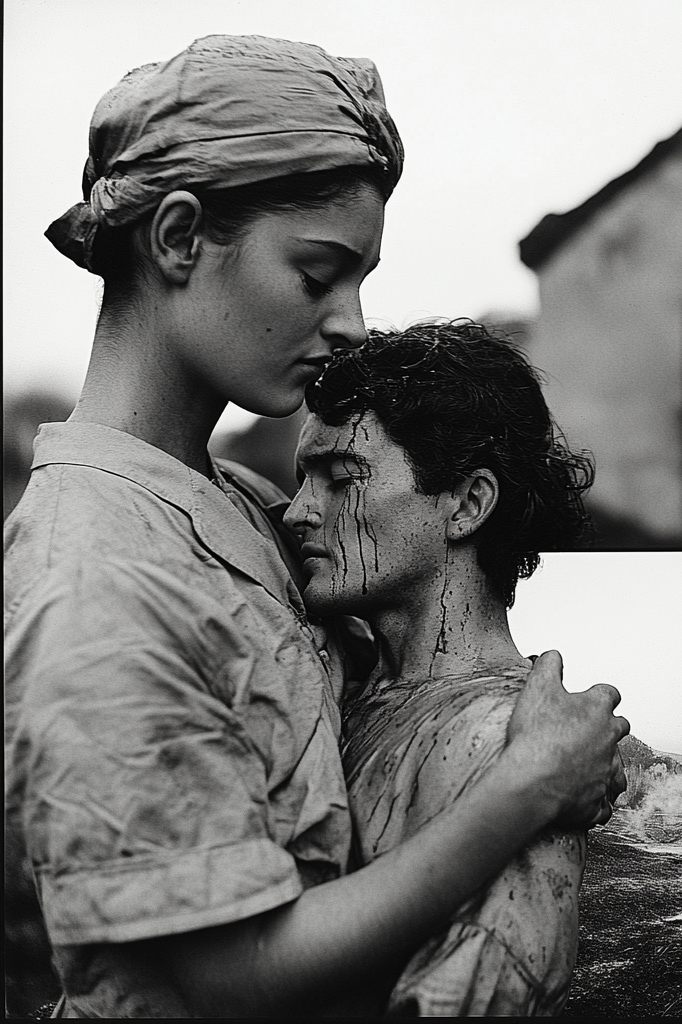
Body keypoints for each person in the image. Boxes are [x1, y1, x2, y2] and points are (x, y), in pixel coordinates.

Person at [3, 36, 628, 1019]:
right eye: (318, 272)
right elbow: (235, 981)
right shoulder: (101, 579)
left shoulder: (231, 503)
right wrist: (527, 788)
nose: (351, 321)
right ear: (176, 239)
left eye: (361, 279)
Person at [285, 321, 597, 1014]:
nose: (299, 511)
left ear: (467, 503)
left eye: (340, 479)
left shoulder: (510, 744)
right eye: (301, 478)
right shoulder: (343, 680)